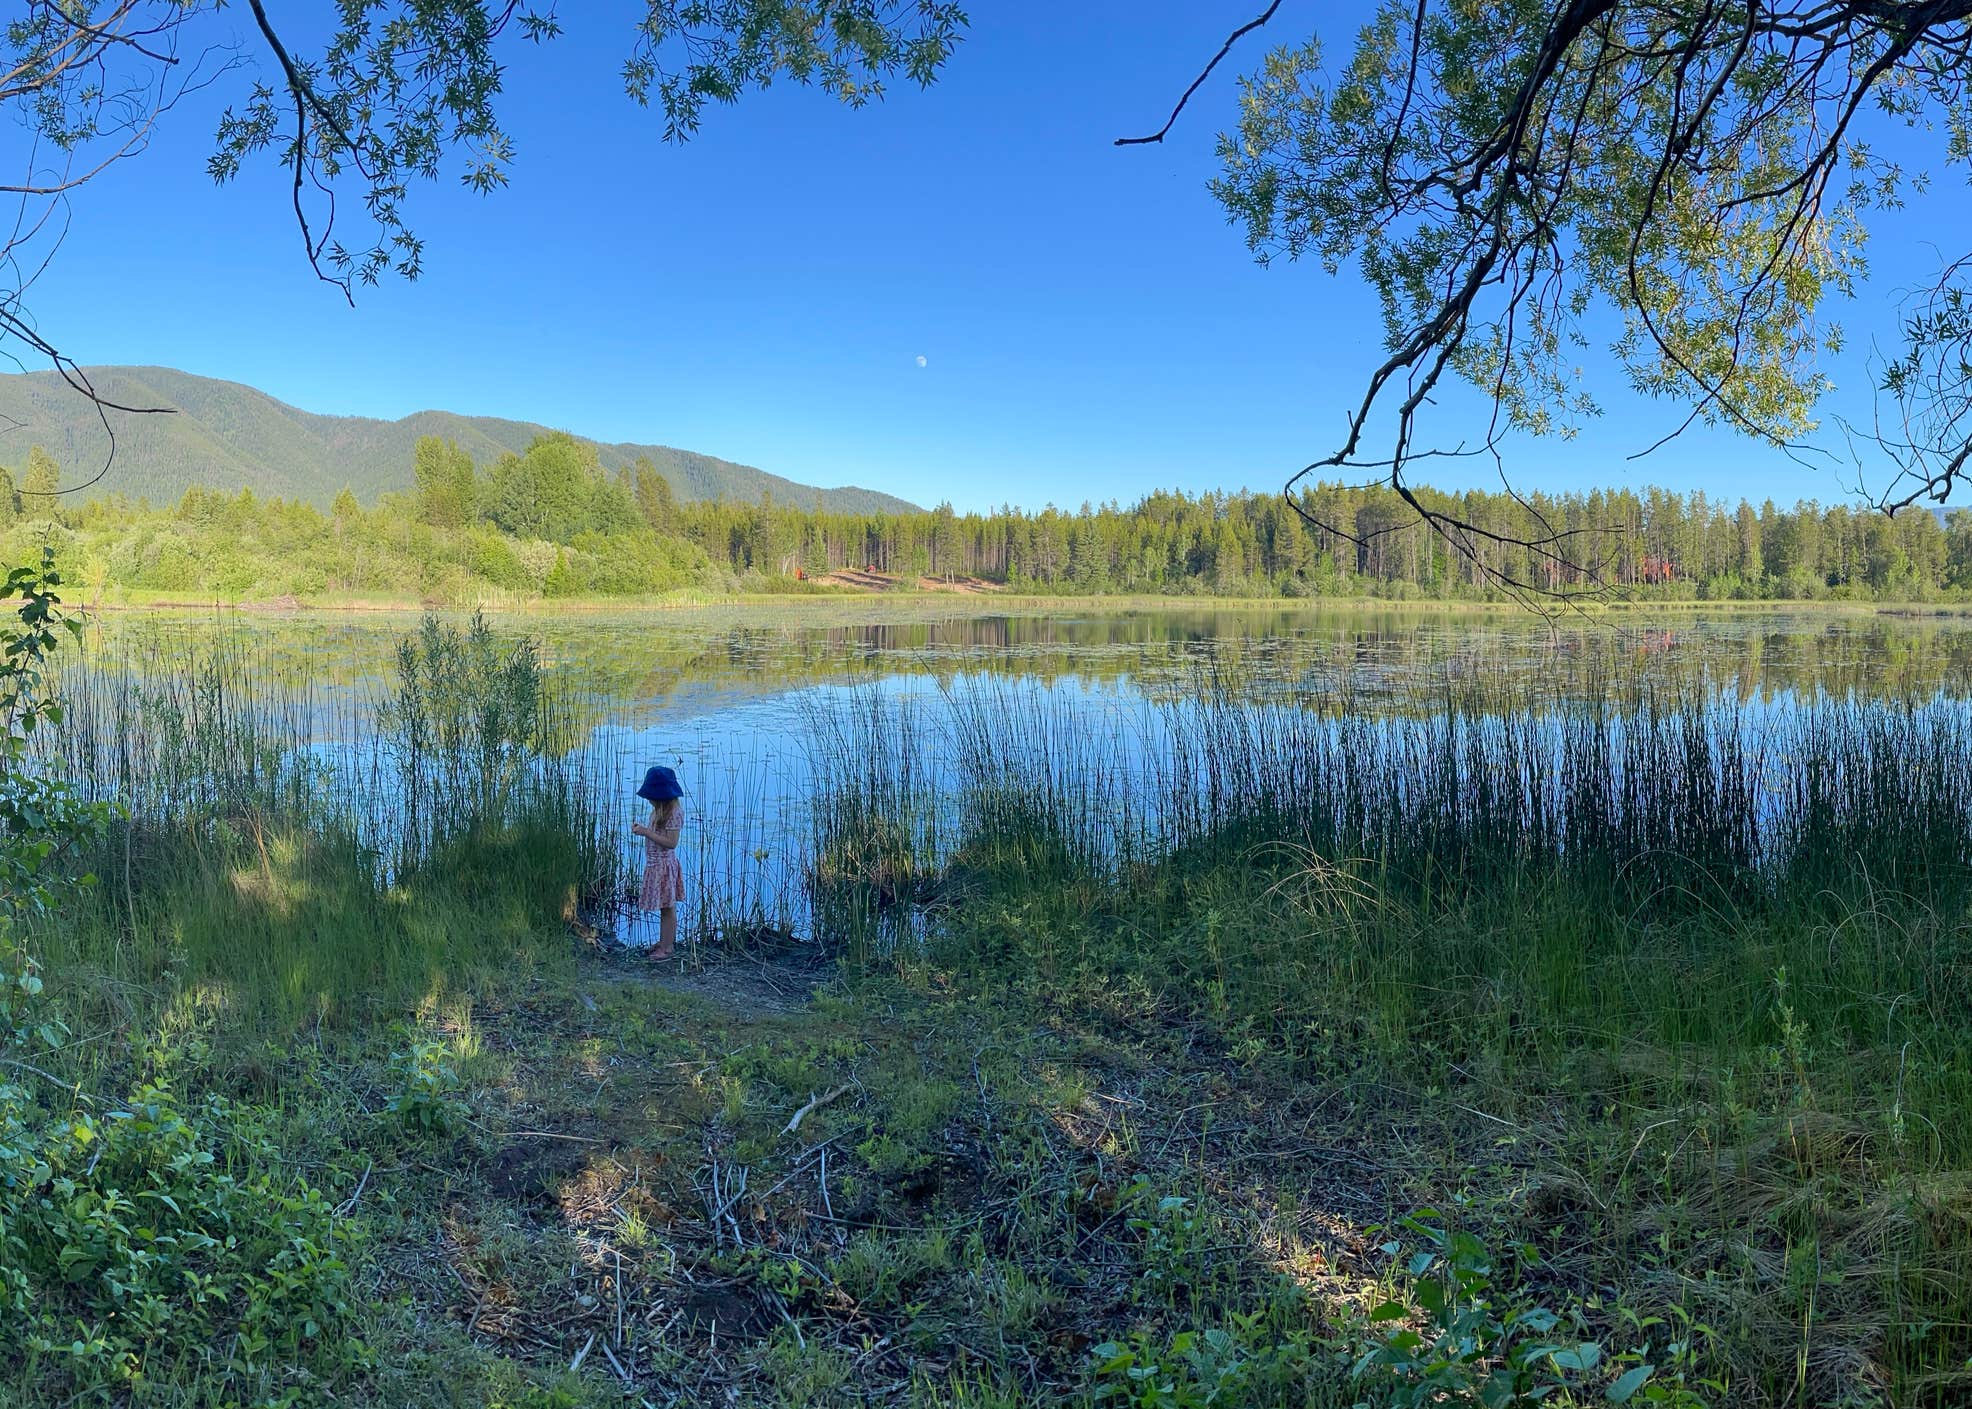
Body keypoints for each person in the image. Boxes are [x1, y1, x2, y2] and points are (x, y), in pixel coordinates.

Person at [632, 765, 685, 959]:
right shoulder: (659, 811)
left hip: (664, 867)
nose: (649, 801)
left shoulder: (674, 813)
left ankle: (668, 947)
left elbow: (671, 843)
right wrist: (645, 828)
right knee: (664, 907)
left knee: (668, 908)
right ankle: (663, 942)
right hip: (655, 865)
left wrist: (646, 832)